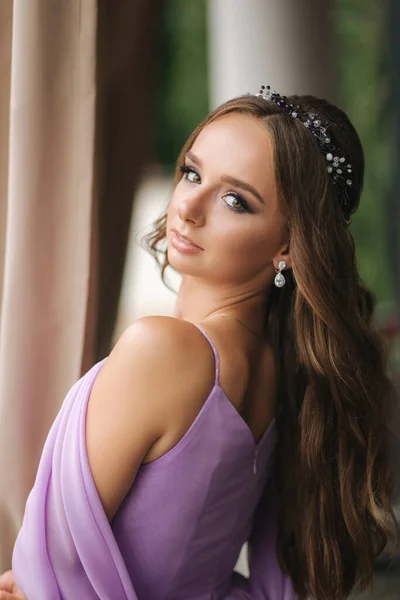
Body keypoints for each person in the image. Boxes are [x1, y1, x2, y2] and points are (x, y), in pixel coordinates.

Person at [1, 87, 399, 600]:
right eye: (192, 172)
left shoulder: (165, 350)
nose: (187, 206)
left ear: (288, 245)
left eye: (235, 200)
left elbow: (52, 576)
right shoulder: (280, 366)